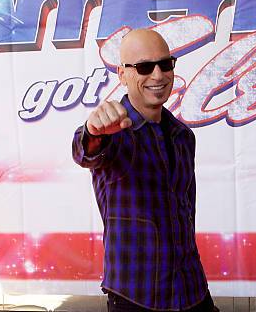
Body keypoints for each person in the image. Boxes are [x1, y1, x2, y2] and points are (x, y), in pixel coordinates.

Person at [72, 29, 216, 312]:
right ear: (122, 74)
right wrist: (92, 130)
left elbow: (185, 214)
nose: (158, 75)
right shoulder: (113, 131)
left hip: (192, 291)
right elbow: (84, 151)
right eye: (144, 67)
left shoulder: (183, 136)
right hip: (136, 296)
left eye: (165, 64)